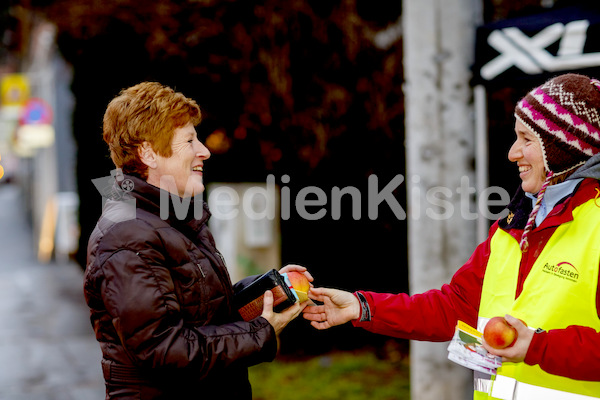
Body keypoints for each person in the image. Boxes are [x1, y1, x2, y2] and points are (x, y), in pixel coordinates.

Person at [303, 73, 600, 399]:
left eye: (527, 140)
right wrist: (361, 308)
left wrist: (537, 346)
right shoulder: (512, 226)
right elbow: (452, 308)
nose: (513, 153)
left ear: (563, 149)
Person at [84, 81, 312, 399]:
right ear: (149, 152)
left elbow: (202, 310)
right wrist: (261, 333)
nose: (204, 151)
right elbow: (165, 350)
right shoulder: (128, 236)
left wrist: (268, 290)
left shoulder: (173, 219)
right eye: (189, 140)